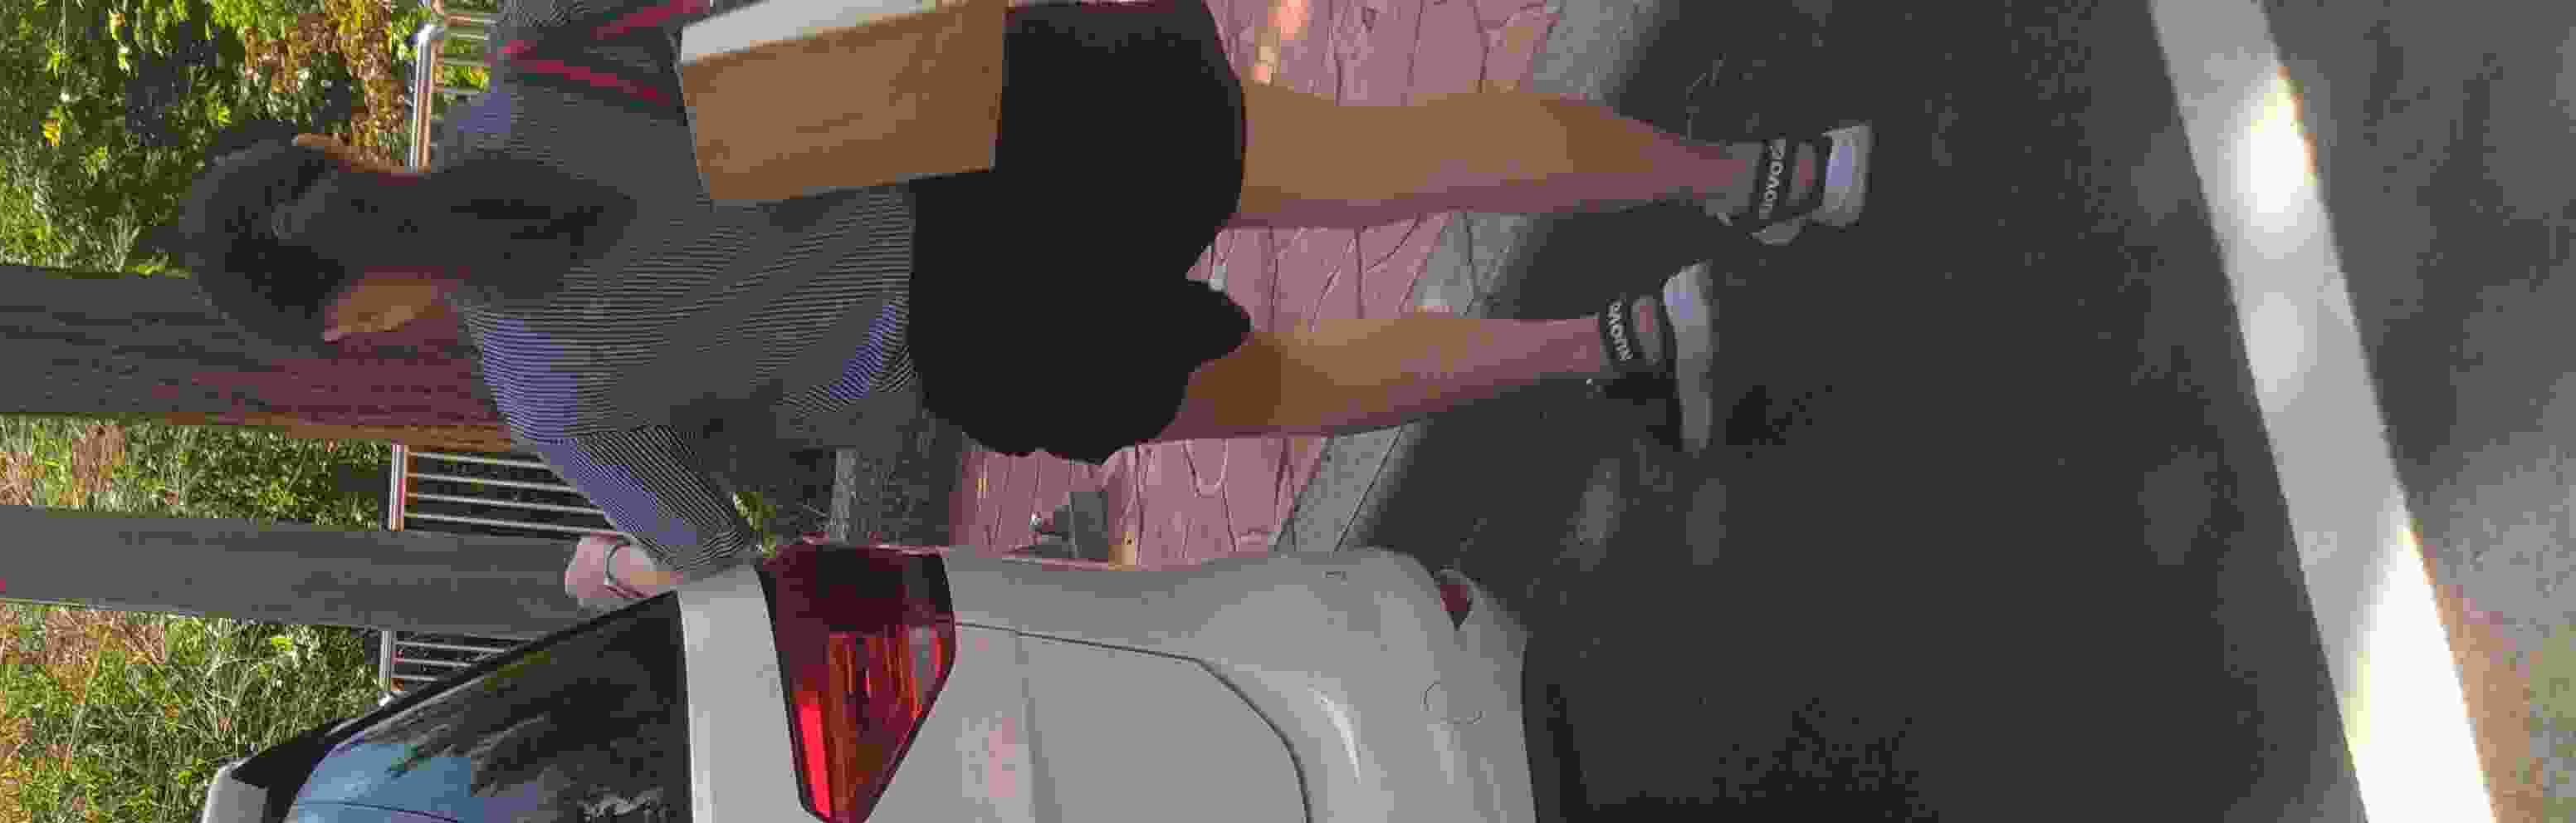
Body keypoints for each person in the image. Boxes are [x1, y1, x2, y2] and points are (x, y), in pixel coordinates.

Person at [169, 0, 1870, 607]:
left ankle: (1615, 342)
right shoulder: (536, 54)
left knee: (1289, 388)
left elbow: (724, 569)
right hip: (1005, 113)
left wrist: (615, 566)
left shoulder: (546, 385)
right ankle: (1757, 175)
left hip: (976, 331)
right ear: (342, 155)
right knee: (1392, 157)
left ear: (354, 323)